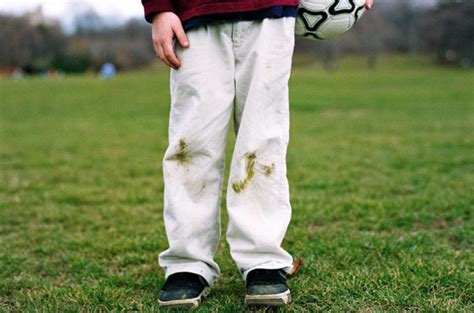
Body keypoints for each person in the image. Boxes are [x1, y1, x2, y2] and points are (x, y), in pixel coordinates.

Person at [141, 0, 373, 308]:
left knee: (262, 140)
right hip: (194, 16)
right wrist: (159, 8)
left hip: (270, 12)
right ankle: (187, 262)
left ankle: (261, 258)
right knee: (191, 144)